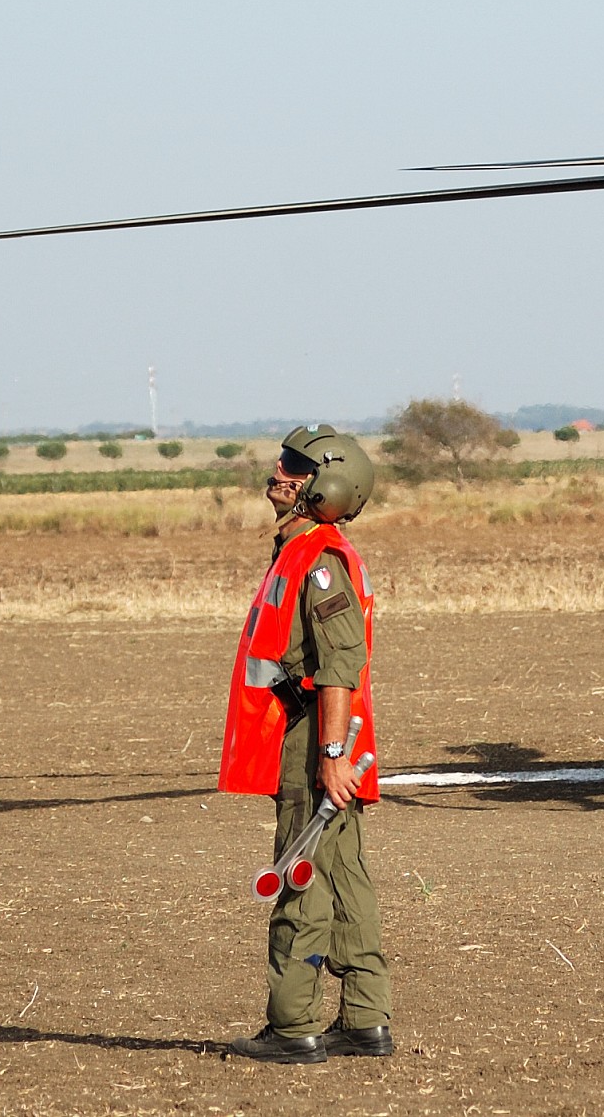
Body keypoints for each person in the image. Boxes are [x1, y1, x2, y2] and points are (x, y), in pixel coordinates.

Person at [220, 425, 391, 1064]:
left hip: (314, 737)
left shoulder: (318, 560)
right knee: (345, 875)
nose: (279, 469)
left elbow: (341, 664)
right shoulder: (299, 550)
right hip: (317, 734)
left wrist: (332, 756)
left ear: (326, 486)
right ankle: (365, 1021)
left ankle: (293, 1027)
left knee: (301, 875)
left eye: (295, 465)